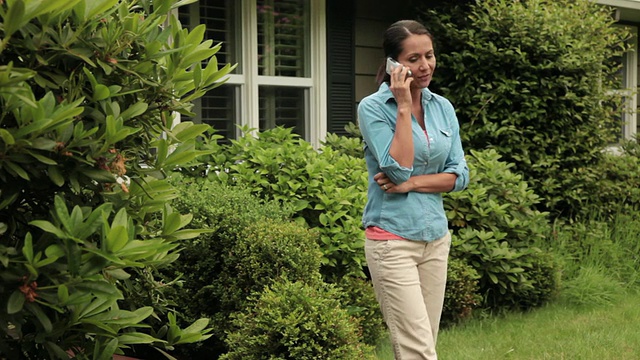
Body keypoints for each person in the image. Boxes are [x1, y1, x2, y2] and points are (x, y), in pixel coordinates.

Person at [357, 20, 469, 359]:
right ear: (393, 65)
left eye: (429, 56)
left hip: (435, 239)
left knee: (419, 347)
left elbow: (459, 175)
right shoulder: (373, 109)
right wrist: (404, 105)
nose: (425, 66)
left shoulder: (443, 108)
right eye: (413, 59)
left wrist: (411, 184)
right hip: (392, 242)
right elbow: (396, 166)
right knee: (419, 351)